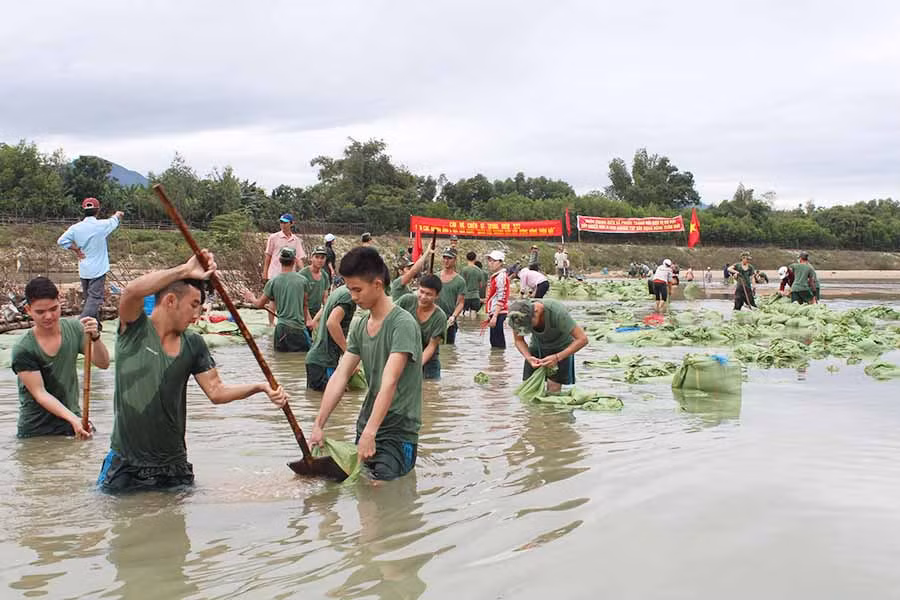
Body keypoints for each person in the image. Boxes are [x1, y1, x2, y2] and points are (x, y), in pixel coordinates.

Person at [97, 250, 287, 493]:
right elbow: (132, 292)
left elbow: (216, 392)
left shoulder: (193, 343)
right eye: (194, 306)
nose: (197, 316)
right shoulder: (134, 331)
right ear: (170, 301)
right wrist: (184, 271)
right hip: (127, 465)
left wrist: (260, 387)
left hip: (173, 466)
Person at [310, 247, 423, 480]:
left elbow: (389, 382)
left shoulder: (403, 325)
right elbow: (341, 375)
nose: (353, 296)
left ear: (378, 285)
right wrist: (319, 424)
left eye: (357, 289)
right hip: (366, 426)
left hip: (397, 433)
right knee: (360, 490)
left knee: (382, 491)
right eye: (350, 289)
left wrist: (371, 433)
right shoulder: (361, 327)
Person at [11, 276, 111, 439]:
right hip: (37, 431)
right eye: (40, 312)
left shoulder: (75, 329)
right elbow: (40, 393)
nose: (48, 316)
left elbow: (103, 363)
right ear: (28, 310)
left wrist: (96, 338)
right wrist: (74, 420)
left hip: (72, 422)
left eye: (53, 309)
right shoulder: (23, 348)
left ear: (60, 302)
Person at [57, 197, 124, 320]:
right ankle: (81, 323)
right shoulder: (101, 225)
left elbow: (61, 241)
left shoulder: (75, 228)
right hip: (98, 269)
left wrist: (76, 249)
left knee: (89, 299)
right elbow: (114, 220)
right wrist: (118, 214)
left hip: (84, 268)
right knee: (95, 298)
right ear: (98, 210)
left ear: (84, 210)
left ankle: (95, 326)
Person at [508, 298, 589, 394]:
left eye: (529, 325)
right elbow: (519, 340)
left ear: (536, 312)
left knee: (553, 390)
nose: (527, 328)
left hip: (561, 347)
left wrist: (557, 357)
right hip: (537, 346)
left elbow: (582, 339)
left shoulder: (557, 312)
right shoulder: (517, 316)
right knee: (529, 387)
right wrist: (529, 357)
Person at [245, 247, 313, 352]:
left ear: (279, 260)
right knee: (301, 358)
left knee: (280, 358)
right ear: (294, 261)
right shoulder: (303, 281)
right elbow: (305, 305)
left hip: (281, 330)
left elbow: (259, 304)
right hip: (298, 329)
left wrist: (251, 298)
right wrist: (306, 324)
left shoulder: (273, 282)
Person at [306, 284, 357, 391]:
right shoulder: (348, 296)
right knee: (334, 396)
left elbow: (324, 310)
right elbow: (332, 323)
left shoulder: (339, 291)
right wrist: (349, 354)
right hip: (324, 362)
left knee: (317, 398)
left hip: (316, 360)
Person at [396, 274, 447, 379]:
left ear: (437, 296)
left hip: (429, 363)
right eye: (421, 291)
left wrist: (415, 367)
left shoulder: (440, 317)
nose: (423, 297)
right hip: (404, 354)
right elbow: (388, 317)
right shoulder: (406, 301)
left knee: (430, 387)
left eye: (429, 294)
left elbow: (431, 346)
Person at [263, 214, 304, 326]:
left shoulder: (296, 240)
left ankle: (286, 321)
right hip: (275, 273)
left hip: (291, 275)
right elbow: (268, 256)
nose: (283, 225)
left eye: (285, 222)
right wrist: (265, 272)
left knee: (289, 299)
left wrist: (304, 272)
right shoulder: (274, 237)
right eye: (281, 222)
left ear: (291, 223)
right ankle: (271, 323)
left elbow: (299, 258)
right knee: (273, 300)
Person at [436, 248, 466, 344]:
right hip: (434, 318)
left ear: (455, 260)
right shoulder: (435, 277)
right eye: (444, 258)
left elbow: (461, 303)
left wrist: (454, 316)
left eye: (449, 258)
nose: (446, 261)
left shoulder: (460, 281)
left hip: (449, 319)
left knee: (449, 348)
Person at [300, 246, 331, 332]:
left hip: (317, 313)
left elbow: (325, 298)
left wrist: (326, 315)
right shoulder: (303, 274)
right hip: (302, 313)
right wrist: (308, 319)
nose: (319, 260)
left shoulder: (324, 275)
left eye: (322, 258)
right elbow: (301, 300)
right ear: (311, 258)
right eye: (317, 257)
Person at [485, 250, 509, 349]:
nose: (491, 263)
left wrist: (494, 316)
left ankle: (499, 358)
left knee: (498, 343)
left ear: (500, 262)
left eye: (494, 261)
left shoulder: (501, 277)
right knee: (494, 341)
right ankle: (497, 358)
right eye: (490, 261)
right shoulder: (496, 276)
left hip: (499, 313)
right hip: (495, 312)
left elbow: (501, 297)